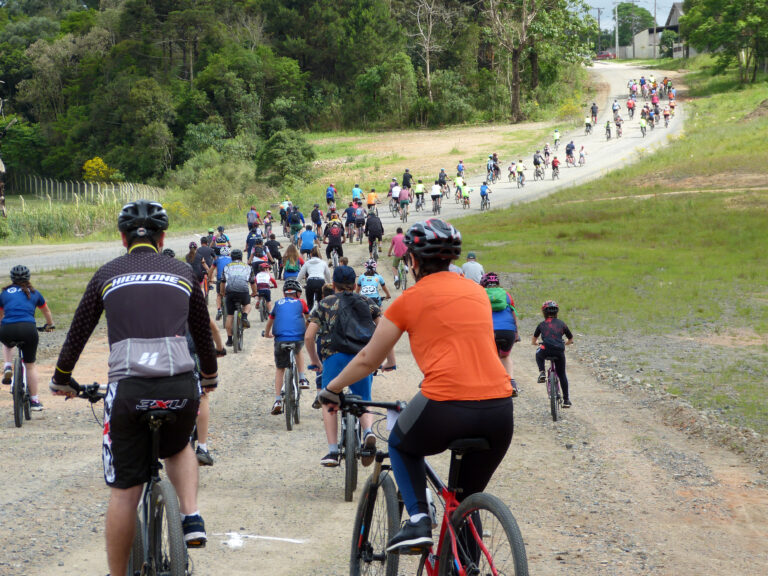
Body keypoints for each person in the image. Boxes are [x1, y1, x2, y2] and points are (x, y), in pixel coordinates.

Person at [318, 219, 514, 553]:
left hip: (447, 404)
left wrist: (332, 388)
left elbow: (368, 358)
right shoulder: (478, 293)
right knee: (463, 502)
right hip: (499, 410)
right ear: (451, 259)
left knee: (400, 443)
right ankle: (466, 561)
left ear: (413, 260)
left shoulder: (409, 299)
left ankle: (419, 520)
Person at [49, 201, 218, 575]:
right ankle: (191, 516)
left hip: (128, 391)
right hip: (179, 386)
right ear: (162, 237)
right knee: (179, 446)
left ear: (122, 237)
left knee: (125, 491)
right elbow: (203, 335)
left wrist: (62, 377)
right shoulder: (182, 271)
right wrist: (209, 376)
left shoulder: (107, 274)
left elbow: (77, 333)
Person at [305, 266, 391, 467]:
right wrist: (388, 360)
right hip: (362, 359)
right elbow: (385, 330)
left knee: (329, 400)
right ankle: (368, 432)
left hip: (334, 358)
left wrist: (315, 360)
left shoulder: (324, 303)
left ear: (332, 285)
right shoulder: (367, 302)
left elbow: (309, 336)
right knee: (364, 399)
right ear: (355, 285)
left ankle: (333, 451)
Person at [1, 265, 55, 410]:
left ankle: (7, 365)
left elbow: (0, 316)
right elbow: (47, 312)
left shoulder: (4, 293)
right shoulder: (35, 293)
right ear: (28, 278)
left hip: (8, 328)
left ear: (12, 278)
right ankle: (34, 401)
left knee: (7, 343)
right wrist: (49, 325)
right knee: (30, 365)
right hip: (28, 329)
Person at [265, 279, 310, 415]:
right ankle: (302, 378)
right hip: (297, 337)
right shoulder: (301, 302)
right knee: (298, 351)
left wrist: (267, 333)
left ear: (285, 293)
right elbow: (308, 319)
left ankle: (278, 400)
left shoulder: (278, 303)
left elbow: (270, 321)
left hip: (280, 339)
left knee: (280, 369)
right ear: (298, 293)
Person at [481, 272, 520, 395]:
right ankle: (512, 384)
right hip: (508, 331)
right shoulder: (506, 295)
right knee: (505, 356)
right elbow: (514, 314)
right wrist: (516, 333)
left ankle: (489, 386)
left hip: (490, 331)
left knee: (489, 358)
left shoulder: (480, 295)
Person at [532, 300, 574, 407]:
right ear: (557, 312)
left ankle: (542, 372)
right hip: (559, 350)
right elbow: (571, 339)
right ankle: (566, 400)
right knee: (562, 375)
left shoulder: (541, 324)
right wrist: (566, 343)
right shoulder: (562, 324)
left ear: (544, 313)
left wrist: (537, 343)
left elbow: (534, 340)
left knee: (538, 352)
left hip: (546, 349)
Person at [221, 248, 256, 346]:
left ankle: (229, 339)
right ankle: (244, 316)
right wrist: (254, 292)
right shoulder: (247, 267)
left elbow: (223, 282)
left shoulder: (227, 267)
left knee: (230, 316)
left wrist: (222, 293)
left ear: (231, 257)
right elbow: (252, 282)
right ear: (241, 257)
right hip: (243, 290)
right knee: (247, 304)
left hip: (230, 291)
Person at [297, 246, 332, 310]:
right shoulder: (323, 263)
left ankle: (310, 315)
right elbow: (328, 275)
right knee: (321, 303)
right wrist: (329, 283)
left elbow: (301, 274)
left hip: (311, 282)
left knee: (309, 304)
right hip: (321, 282)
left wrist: (297, 282)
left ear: (311, 254)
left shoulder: (307, 263)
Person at [212, 246, 232, 321]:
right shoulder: (231, 259)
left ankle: (219, 310)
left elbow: (211, 270)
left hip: (220, 279)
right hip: (229, 279)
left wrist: (210, 279)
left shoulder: (217, 259)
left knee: (219, 295)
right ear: (228, 253)